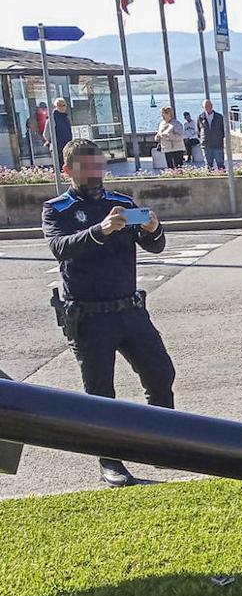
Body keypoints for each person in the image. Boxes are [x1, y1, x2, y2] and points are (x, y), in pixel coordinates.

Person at [42, 138, 175, 487]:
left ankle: (162, 445)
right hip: (89, 316)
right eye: (86, 167)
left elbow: (155, 245)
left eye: (99, 165)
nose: (95, 173)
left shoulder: (121, 203)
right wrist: (100, 230)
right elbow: (61, 248)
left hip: (129, 309)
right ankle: (110, 462)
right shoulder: (57, 209)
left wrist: (152, 228)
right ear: (67, 171)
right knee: (101, 393)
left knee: (160, 374)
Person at [42, 97, 72, 172]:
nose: (62, 107)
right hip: (57, 148)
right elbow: (46, 134)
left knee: (67, 168)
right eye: (59, 105)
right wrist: (51, 142)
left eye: (64, 105)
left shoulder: (65, 118)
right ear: (55, 107)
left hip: (67, 147)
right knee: (59, 168)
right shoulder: (52, 118)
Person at [197, 99, 226, 170]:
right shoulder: (200, 117)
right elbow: (199, 130)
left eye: (209, 105)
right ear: (203, 107)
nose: (208, 107)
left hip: (217, 144)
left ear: (212, 106)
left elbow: (224, 130)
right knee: (208, 165)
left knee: (220, 164)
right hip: (206, 144)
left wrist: (219, 137)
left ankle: (222, 177)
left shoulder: (219, 117)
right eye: (206, 106)